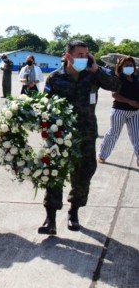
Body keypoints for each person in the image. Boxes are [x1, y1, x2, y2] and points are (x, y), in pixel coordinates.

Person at [38, 40, 120, 235]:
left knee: (83, 174)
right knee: (54, 174)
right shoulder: (55, 78)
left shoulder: (92, 76)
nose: (84, 58)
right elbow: (45, 106)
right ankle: (50, 219)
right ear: (68, 56)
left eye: (86, 54)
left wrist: (96, 69)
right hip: (59, 136)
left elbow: (115, 85)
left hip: (86, 134)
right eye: (80, 55)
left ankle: (73, 212)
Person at [97, 56, 139, 166]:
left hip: (135, 112)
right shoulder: (117, 78)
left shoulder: (136, 78)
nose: (129, 67)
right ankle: (102, 155)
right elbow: (115, 95)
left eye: (131, 65)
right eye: (126, 65)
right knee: (113, 134)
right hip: (119, 111)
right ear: (121, 67)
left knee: (137, 136)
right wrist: (129, 101)